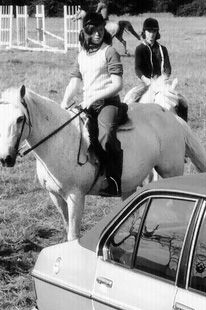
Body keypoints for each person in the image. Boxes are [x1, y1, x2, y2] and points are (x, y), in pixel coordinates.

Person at [61, 11, 125, 197]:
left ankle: (113, 182)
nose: (98, 33)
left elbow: (117, 85)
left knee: (105, 137)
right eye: (94, 30)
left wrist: (94, 97)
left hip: (108, 104)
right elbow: (74, 82)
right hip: (88, 105)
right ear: (86, 31)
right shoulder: (81, 55)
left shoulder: (109, 51)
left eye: (100, 29)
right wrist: (64, 103)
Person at [124, 18, 172, 104]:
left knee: (182, 102)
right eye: (149, 31)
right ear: (144, 32)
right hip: (145, 83)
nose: (151, 34)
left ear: (157, 33)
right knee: (129, 101)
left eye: (154, 31)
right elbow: (137, 69)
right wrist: (146, 80)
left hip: (161, 83)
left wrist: (163, 79)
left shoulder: (163, 49)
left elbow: (167, 68)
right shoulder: (140, 49)